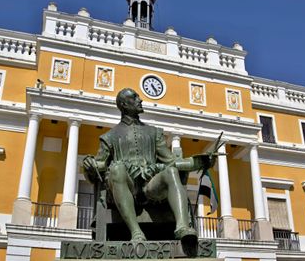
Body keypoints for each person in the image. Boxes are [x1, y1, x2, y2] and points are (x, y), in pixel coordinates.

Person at [83, 88, 215, 242]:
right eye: (135, 97)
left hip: (150, 187)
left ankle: (182, 228)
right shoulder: (109, 136)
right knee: (117, 169)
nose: (140, 100)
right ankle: (136, 232)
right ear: (124, 105)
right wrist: (88, 165)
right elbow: (98, 165)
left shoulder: (154, 132)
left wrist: (199, 162)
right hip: (126, 187)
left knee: (171, 171)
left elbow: (170, 161)